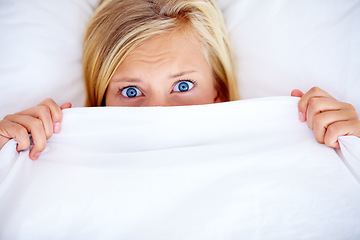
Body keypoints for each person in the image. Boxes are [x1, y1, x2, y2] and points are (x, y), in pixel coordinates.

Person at [0, 0, 359, 160]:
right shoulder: (52, 156)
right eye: (130, 91)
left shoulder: (285, 142)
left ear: (218, 92)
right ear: (101, 100)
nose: (158, 112)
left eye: (183, 86)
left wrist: (355, 139)